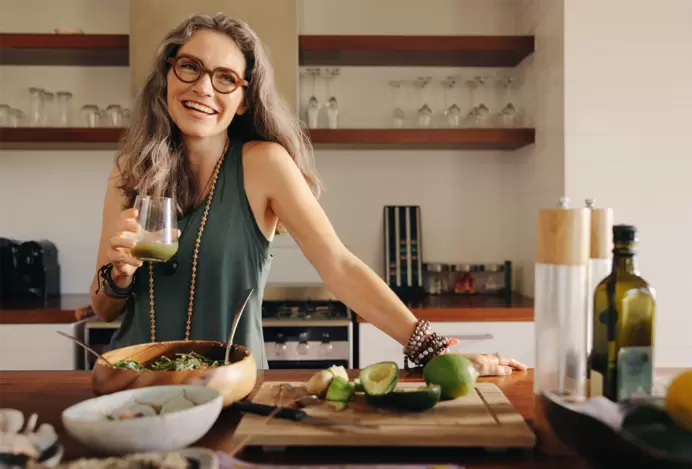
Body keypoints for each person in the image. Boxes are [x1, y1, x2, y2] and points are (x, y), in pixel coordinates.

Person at [89, 12, 527, 377]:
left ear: (243, 99)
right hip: (130, 385)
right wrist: (118, 276)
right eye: (190, 67)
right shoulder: (129, 171)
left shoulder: (264, 164)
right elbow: (104, 307)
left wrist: (433, 348)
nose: (204, 88)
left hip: (229, 387)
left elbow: (339, 266)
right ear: (168, 73)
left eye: (226, 78)